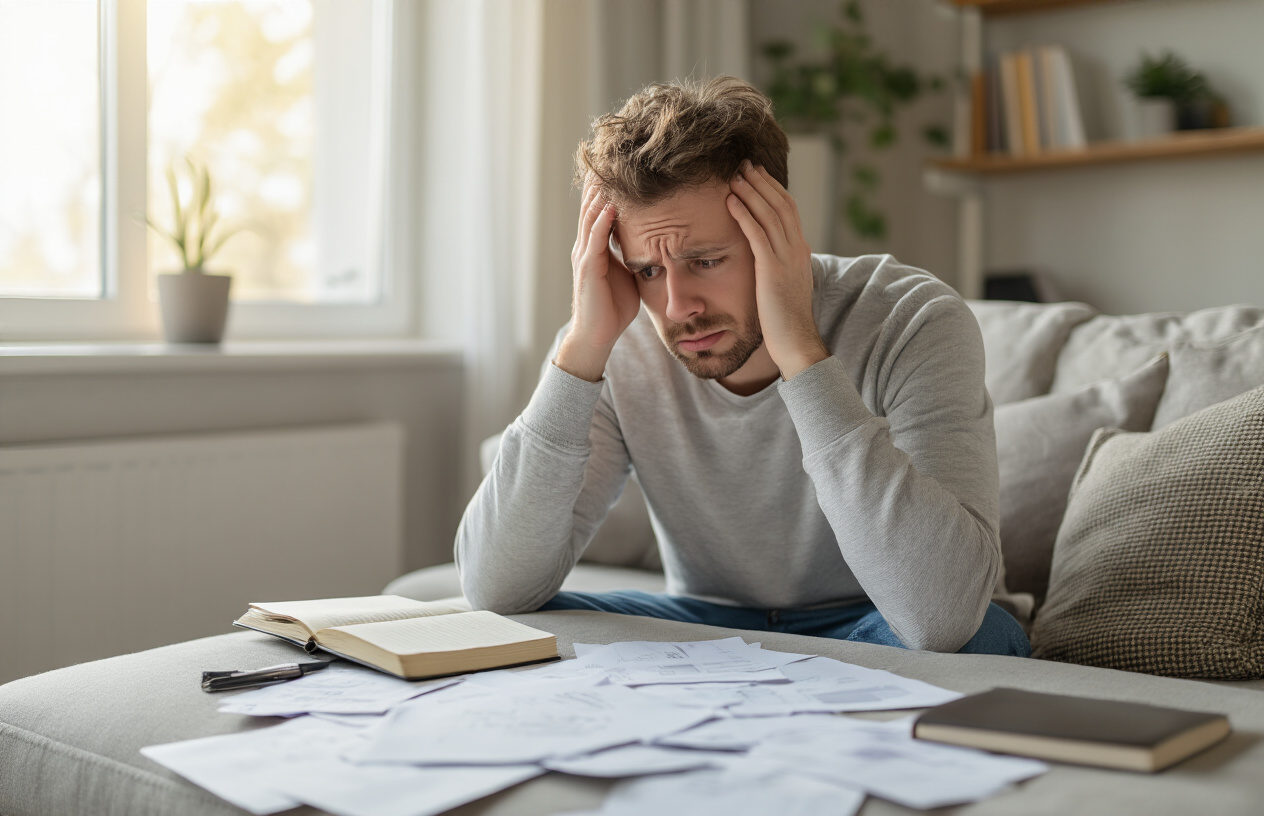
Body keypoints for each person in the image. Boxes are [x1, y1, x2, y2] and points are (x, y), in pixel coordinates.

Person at [456, 76, 1030, 656]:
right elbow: (494, 588)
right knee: (521, 627)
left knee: (978, 640)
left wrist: (801, 352)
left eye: (705, 260)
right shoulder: (613, 341)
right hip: (710, 620)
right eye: (648, 271)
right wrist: (581, 349)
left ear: (778, 230)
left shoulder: (911, 319)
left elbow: (940, 618)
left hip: (879, 617)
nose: (677, 307)